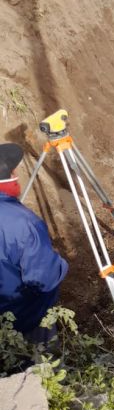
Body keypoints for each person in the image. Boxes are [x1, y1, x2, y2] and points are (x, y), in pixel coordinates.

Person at [0, 143, 68, 337]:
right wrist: (60, 264)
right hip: (24, 321)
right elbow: (44, 279)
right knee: (42, 365)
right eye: (14, 171)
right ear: (9, 178)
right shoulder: (24, 223)